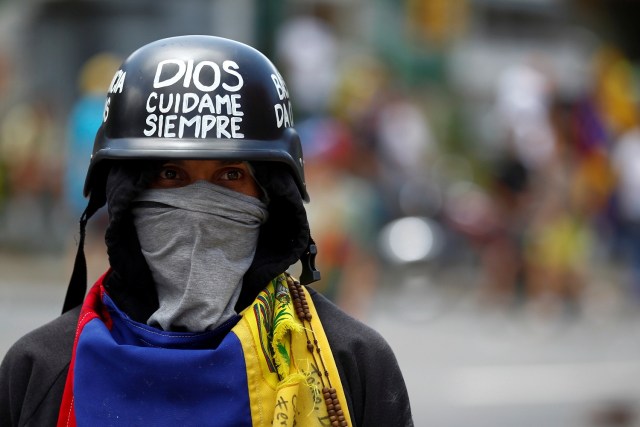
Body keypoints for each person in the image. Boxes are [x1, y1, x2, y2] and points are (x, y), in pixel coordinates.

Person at [0, 35, 413, 426]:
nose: (199, 207)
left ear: (271, 197)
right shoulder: (41, 369)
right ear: (126, 195)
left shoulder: (349, 361)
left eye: (230, 175)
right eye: (169, 173)